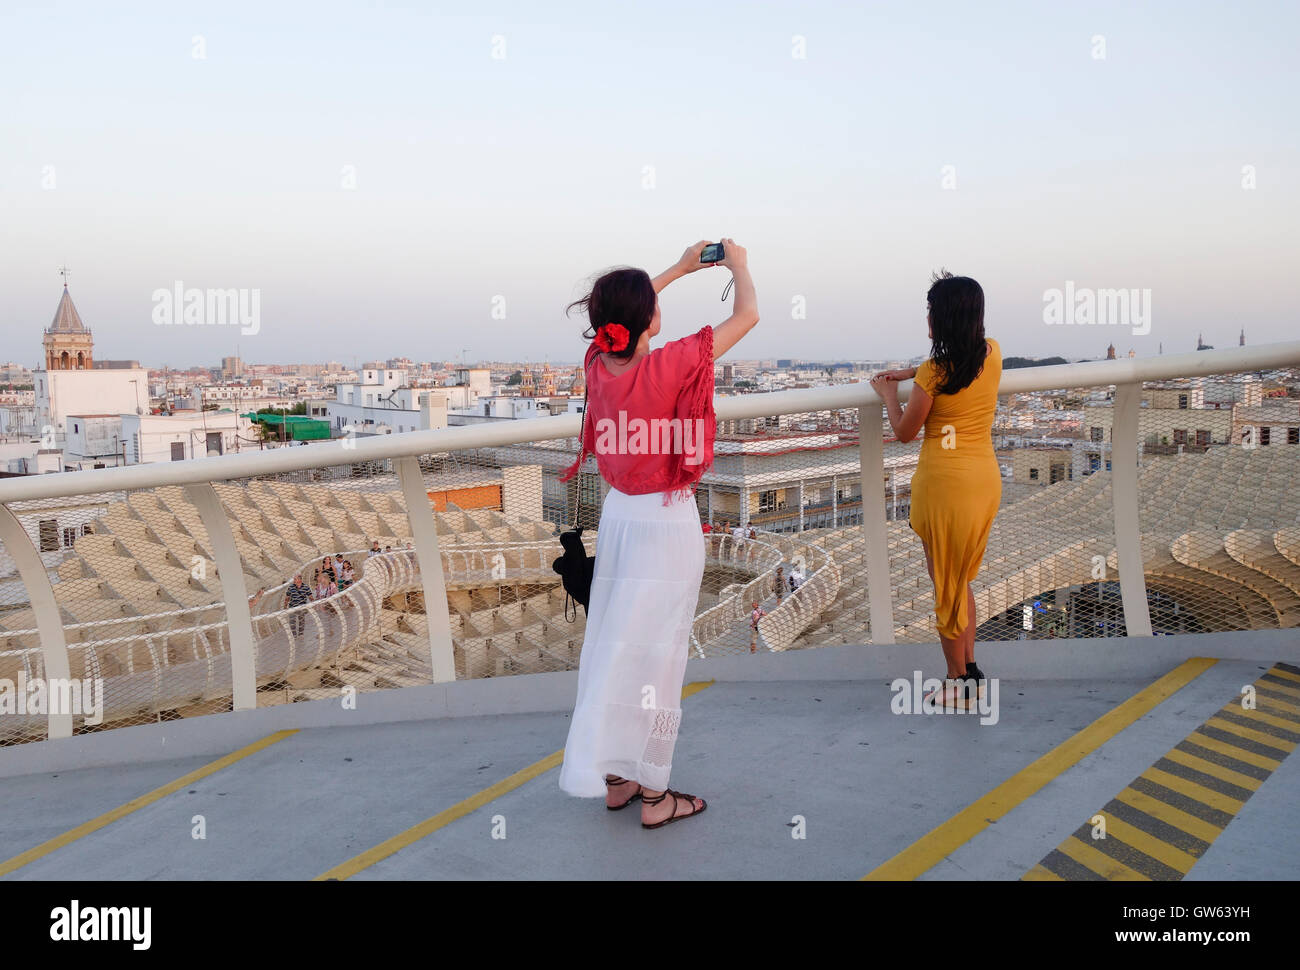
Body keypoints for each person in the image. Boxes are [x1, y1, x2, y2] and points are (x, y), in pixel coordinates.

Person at [557, 238, 758, 829]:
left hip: (618, 518)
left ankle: (617, 779)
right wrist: (734, 265)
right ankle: (655, 795)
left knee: (616, 646)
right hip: (667, 520)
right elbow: (747, 316)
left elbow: (617, 326)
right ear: (649, 317)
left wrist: (670, 272)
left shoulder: (598, 367)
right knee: (659, 658)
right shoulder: (672, 363)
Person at [871, 270, 1000, 710]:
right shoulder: (992, 354)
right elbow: (952, 367)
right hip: (984, 481)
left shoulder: (934, 374)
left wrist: (890, 394)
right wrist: (914, 372)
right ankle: (971, 673)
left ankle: (957, 683)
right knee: (959, 582)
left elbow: (906, 431)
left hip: (945, 489)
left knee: (946, 588)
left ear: (939, 319)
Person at [284, 573, 312, 638]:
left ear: (300, 580)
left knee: (301, 620)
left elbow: (310, 596)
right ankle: (294, 635)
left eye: (295, 579)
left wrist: (313, 604)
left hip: (302, 606)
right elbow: (287, 597)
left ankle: (301, 634)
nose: (294, 580)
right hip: (292, 606)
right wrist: (285, 606)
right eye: (294, 579)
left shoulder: (306, 587)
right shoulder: (291, 587)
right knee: (292, 621)